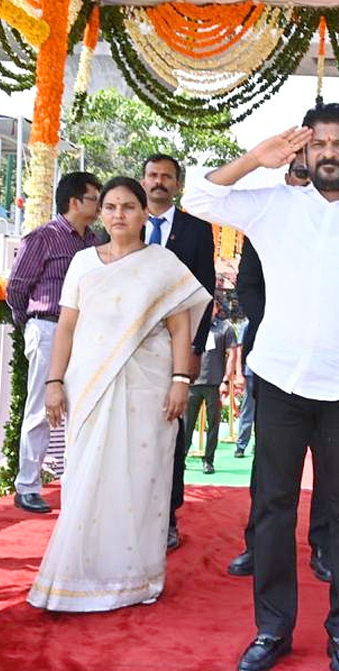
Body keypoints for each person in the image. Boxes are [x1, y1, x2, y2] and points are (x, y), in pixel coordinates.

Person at [184, 102, 339, 671]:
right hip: (280, 382)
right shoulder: (274, 207)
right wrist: (256, 159)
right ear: (304, 152)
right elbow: (200, 199)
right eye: (320, 143)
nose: (330, 152)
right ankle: (273, 628)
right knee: (271, 510)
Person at [27, 176, 210, 612]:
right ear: (100, 212)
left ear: (145, 213)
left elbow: (181, 326)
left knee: (140, 476)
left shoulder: (163, 264)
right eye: (110, 207)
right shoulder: (83, 263)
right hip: (89, 381)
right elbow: (67, 326)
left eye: (129, 206)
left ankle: (134, 578)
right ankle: (78, 576)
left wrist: (181, 380)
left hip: (148, 385)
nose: (119, 215)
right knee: (86, 473)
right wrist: (54, 382)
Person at [227, 164, 332, 583]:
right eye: (298, 175)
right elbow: (247, 286)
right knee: (270, 464)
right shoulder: (264, 226)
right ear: (286, 179)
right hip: (272, 358)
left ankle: (322, 546)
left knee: (328, 462)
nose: (304, 184)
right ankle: (260, 544)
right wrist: (277, 324)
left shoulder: (337, 227)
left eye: (311, 177)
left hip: (327, 364)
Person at [5, 171, 102, 514]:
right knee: (42, 405)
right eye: (95, 198)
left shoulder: (94, 242)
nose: (101, 204)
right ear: (75, 202)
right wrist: (30, 323)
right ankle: (27, 486)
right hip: (48, 327)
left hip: (84, 333)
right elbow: (16, 288)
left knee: (81, 406)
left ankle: (74, 482)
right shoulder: (42, 238)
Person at [140, 153, 217, 550]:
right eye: (153, 175)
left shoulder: (197, 231)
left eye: (167, 177)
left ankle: (167, 515)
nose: (159, 182)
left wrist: (195, 348)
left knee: (171, 427)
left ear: (177, 184)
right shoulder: (124, 224)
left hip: (176, 348)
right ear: (143, 179)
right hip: (130, 350)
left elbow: (205, 292)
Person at [183, 301, 237, 475]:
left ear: (217, 308)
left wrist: (226, 380)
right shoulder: (193, 326)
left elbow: (232, 355)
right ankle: (181, 457)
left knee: (213, 424)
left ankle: (208, 460)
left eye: (211, 305)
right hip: (193, 383)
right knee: (186, 424)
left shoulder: (225, 328)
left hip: (214, 383)